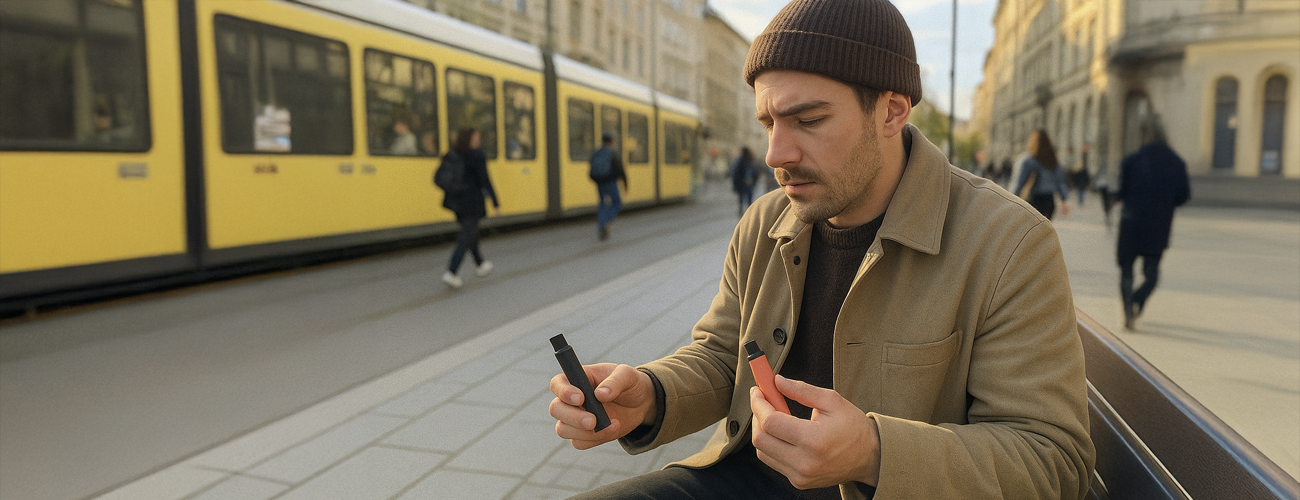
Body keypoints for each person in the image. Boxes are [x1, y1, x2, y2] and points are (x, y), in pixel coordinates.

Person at [547, 0, 1095, 498]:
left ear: (892, 111)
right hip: (745, 477)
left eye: (808, 120)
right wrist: (650, 393)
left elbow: (1053, 461)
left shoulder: (1009, 244)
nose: (775, 153)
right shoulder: (764, 221)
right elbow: (724, 354)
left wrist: (873, 454)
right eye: (768, 123)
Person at [1116, 115, 1190, 330]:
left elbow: (1122, 192)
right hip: (1159, 223)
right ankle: (1138, 299)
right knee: (1152, 272)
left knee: (1126, 268)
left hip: (1131, 222)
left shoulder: (1131, 161)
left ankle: (1128, 309)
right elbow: (1183, 195)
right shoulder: (1177, 163)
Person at [440, 128, 499, 289]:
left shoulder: (454, 154)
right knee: (466, 236)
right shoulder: (477, 155)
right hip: (472, 202)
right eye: (477, 137)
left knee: (470, 233)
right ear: (472, 139)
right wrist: (495, 202)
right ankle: (451, 272)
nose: (479, 140)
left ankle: (481, 264)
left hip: (456, 202)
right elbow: (485, 180)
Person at [1013, 129, 1072, 219]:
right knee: (1044, 227)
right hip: (1049, 201)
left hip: (1033, 200)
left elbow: (1019, 182)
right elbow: (1060, 182)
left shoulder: (1028, 159)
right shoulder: (1052, 160)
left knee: (1032, 227)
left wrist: (1012, 198)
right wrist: (1064, 200)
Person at [590, 132, 627, 241]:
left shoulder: (596, 152)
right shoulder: (612, 152)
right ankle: (608, 220)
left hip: (600, 182)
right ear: (611, 141)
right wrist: (625, 183)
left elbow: (592, 166)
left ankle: (601, 225)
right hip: (610, 181)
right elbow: (620, 168)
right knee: (616, 202)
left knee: (602, 203)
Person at [730, 146, 759, 216]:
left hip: (746, 183)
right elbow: (736, 173)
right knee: (745, 198)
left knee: (745, 198)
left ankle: (746, 211)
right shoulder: (743, 160)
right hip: (745, 183)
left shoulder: (746, 160)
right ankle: (746, 211)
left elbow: (755, 170)